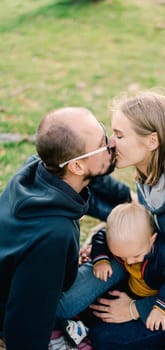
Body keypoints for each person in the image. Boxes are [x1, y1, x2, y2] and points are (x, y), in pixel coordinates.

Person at [57, 91, 165, 350]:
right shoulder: (148, 169)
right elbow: (143, 221)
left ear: (152, 141)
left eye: (119, 135)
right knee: (79, 308)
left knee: (105, 338)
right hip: (149, 266)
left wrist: (135, 308)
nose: (111, 143)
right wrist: (110, 241)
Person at [0, 106, 132, 350]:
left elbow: (93, 184)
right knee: (121, 262)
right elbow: (28, 315)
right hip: (28, 302)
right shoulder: (53, 234)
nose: (111, 143)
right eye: (102, 143)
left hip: (20, 274)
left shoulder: (37, 169)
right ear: (77, 167)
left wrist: (128, 199)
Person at [91, 202, 165, 350]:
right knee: (100, 307)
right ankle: (83, 323)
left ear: (152, 240)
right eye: (122, 257)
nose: (129, 262)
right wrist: (100, 259)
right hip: (134, 289)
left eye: (136, 256)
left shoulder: (164, 253)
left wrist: (160, 308)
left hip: (161, 297)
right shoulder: (125, 245)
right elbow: (100, 237)